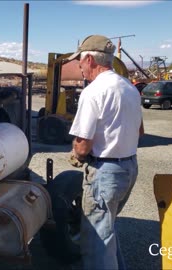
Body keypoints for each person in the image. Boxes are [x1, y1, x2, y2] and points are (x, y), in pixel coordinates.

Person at [67, 35, 144, 269]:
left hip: (106, 173)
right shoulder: (129, 88)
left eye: (79, 61)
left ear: (89, 59)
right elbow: (140, 132)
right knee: (106, 228)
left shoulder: (93, 92)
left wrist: (76, 155)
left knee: (96, 239)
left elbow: (82, 144)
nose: (79, 66)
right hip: (129, 168)